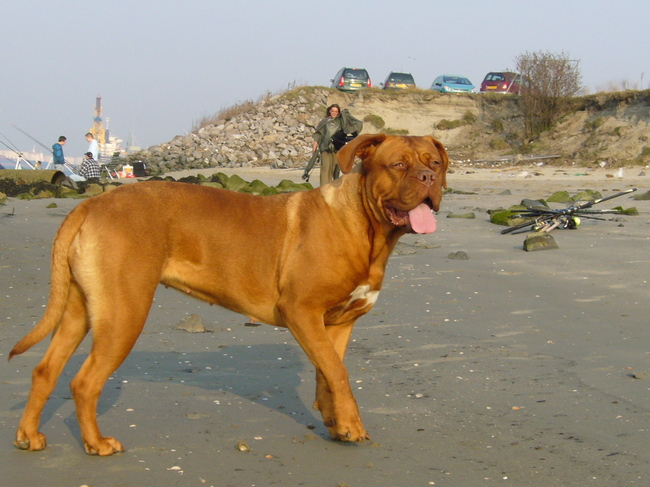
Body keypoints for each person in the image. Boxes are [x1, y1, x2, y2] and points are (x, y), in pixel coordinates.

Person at [312, 104, 341, 186]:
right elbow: (318, 134)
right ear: (329, 111)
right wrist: (314, 147)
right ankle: (324, 187)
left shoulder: (341, 122)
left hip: (337, 149)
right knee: (325, 168)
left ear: (338, 113)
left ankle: (334, 187)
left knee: (335, 169)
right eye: (332, 111)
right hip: (325, 148)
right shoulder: (325, 121)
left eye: (336, 111)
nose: (334, 113)